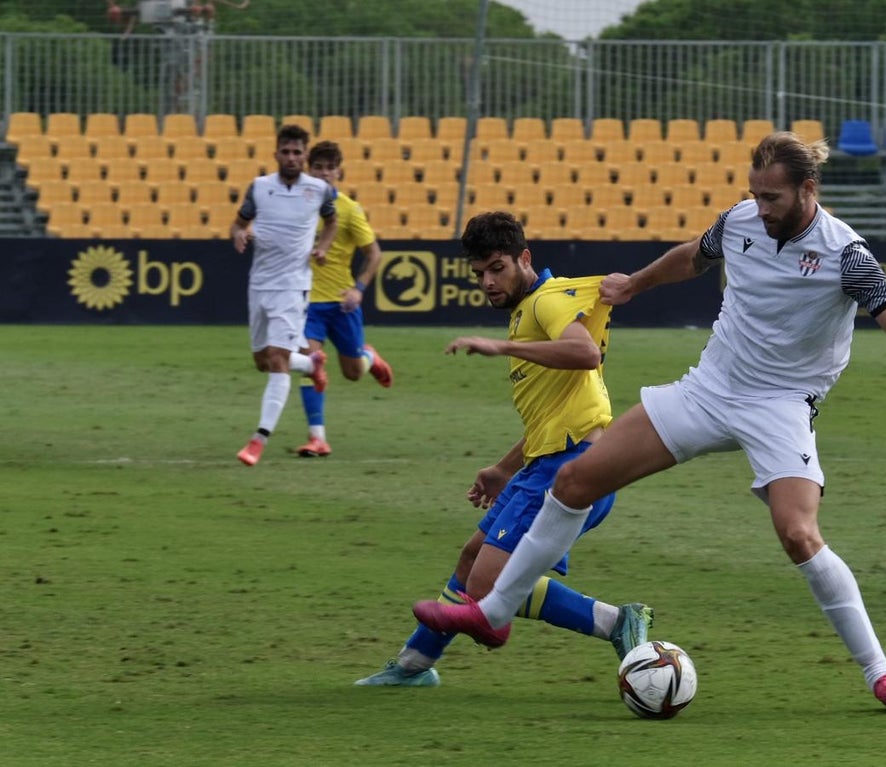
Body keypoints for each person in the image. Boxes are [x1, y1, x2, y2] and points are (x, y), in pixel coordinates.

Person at [414, 133, 886, 712]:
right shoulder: (740, 221)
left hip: (782, 405)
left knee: (799, 535)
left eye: (771, 197)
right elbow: (694, 258)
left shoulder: (846, 255)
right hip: (708, 390)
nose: (760, 206)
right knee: (575, 481)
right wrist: (637, 283)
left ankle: (880, 674)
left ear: (808, 189)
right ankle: (493, 614)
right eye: (754, 193)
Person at [355, 211, 652, 687]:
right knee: (473, 559)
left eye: (497, 268)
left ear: (524, 258)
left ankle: (617, 622)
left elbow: (584, 354)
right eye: (479, 274)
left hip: (572, 469)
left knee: (487, 589)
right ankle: (414, 667)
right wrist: (502, 469)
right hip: (546, 463)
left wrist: (502, 348)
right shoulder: (528, 309)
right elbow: (553, 413)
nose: (488, 282)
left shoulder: (546, 302)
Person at [232, 124, 338, 466]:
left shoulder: (319, 189)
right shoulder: (260, 188)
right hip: (259, 284)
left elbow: (331, 222)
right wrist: (239, 234)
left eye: (297, 152)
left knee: (277, 359)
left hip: (294, 285)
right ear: (276, 153)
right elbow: (238, 222)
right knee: (263, 360)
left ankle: (257, 440)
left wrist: (322, 246)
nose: (291, 157)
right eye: (286, 151)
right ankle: (311, 363)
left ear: (305, 155)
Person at [294, 140, 394, 458]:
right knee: (311, 364)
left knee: (352, 372)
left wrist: (359, 289)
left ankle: (369, 357)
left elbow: (374, 254)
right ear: (309, 170)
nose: (324, 174)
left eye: (329, 168)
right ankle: (317, 437)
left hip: (340, 303)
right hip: (305, 302)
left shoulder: (349, 210)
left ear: (339, 172)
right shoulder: (295, 204)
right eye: (318, 167)